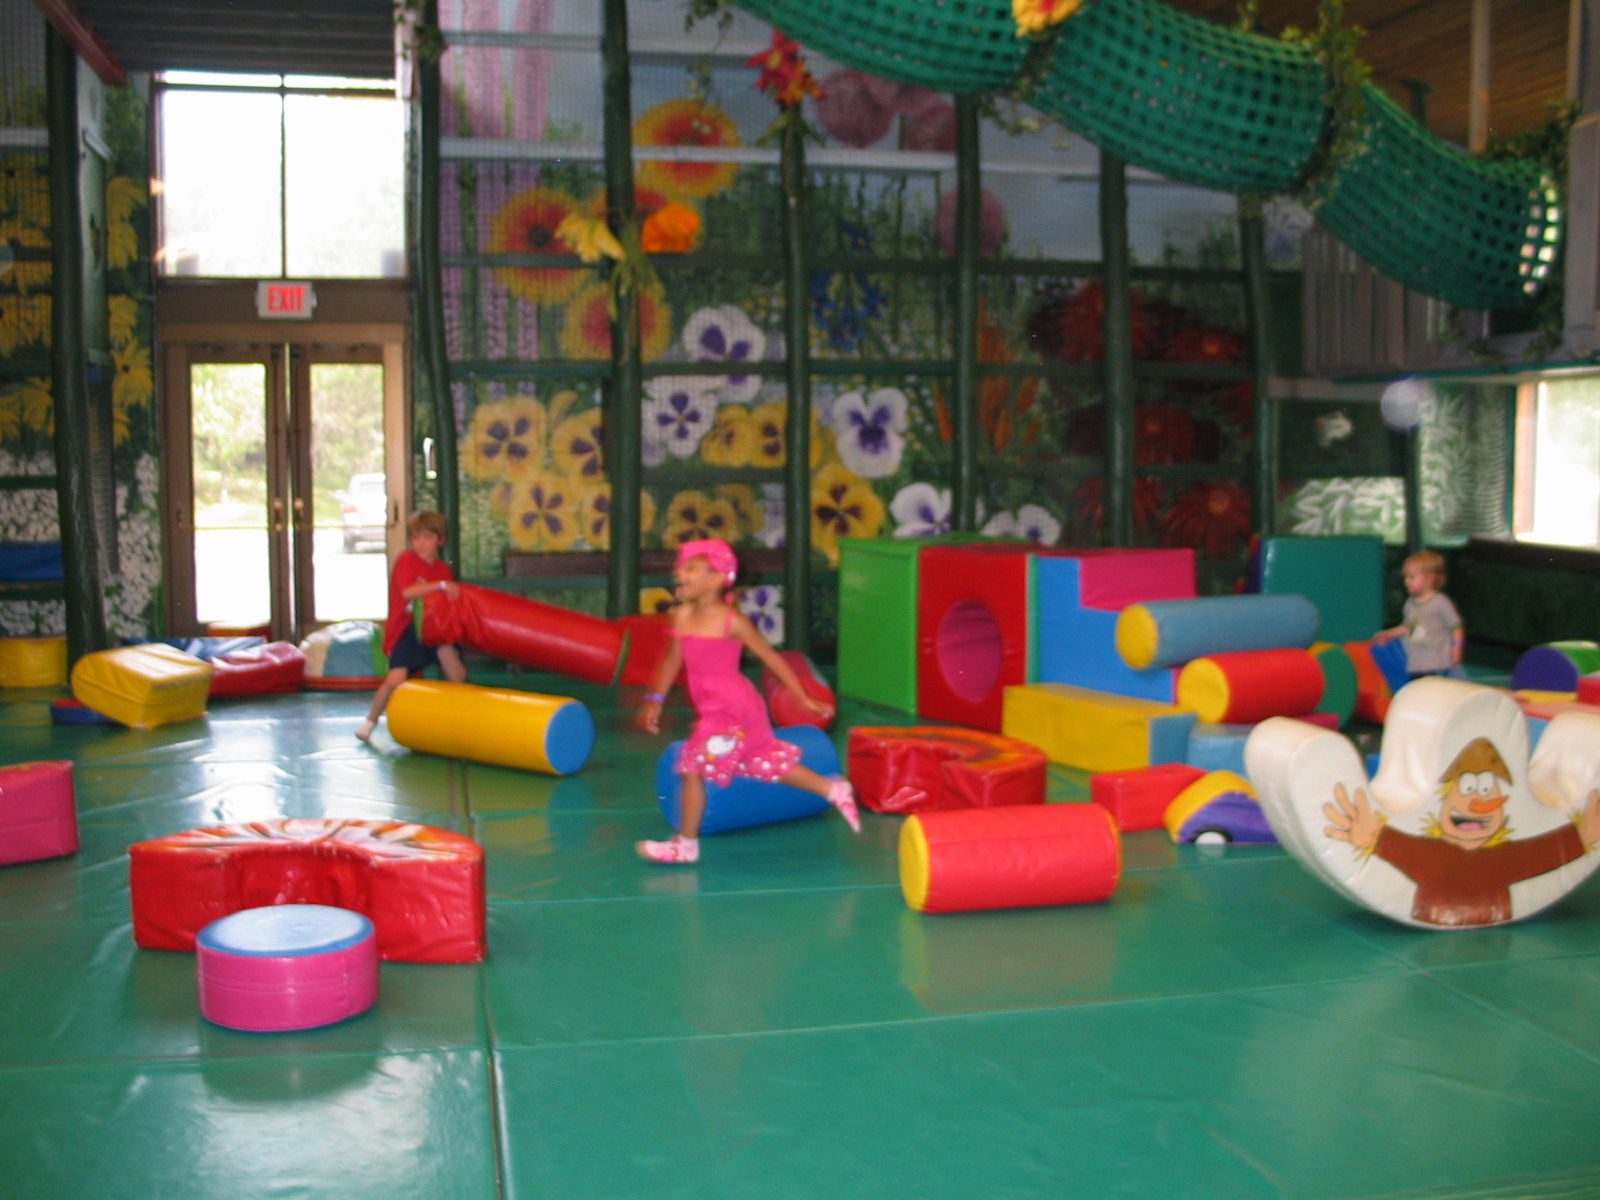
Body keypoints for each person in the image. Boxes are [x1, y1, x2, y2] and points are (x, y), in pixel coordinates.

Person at [637, 538, 858, 864]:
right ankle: (833, 789)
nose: (680, 574)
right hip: (712, 706)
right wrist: (655, 698)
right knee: (759, 761)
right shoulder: (681, 615)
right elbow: (672, 658)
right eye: (681, 567)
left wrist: (803, 697)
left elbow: (772, 658)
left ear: (716, 578)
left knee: (692, 766)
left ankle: (685, 845)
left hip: (732, 708)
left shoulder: (733, 622)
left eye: (691, 568)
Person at [357, 511, 466, 742]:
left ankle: (455, 720)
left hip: (433, 627)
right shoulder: (407, 560)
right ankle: (370, 721)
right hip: (405, 628)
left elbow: (448, 602)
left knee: (457, 672)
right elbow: (408, 592)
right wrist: (440, 585)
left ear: (440, 540)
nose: (421, 543)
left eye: (427, 537)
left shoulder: (442, 570)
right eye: (416, 538)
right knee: (396, 678)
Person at [1372, 550, 1464, 679]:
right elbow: (1408, 627)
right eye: (1405, 577)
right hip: (1417, 663)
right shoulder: (1410, 604)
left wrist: (1458, 646)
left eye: (1412, 577)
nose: (1406, 581)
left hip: (1437, 662)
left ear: (1429, 578)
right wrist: (1388, 634)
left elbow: (1456, 626)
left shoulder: (1440, 602)